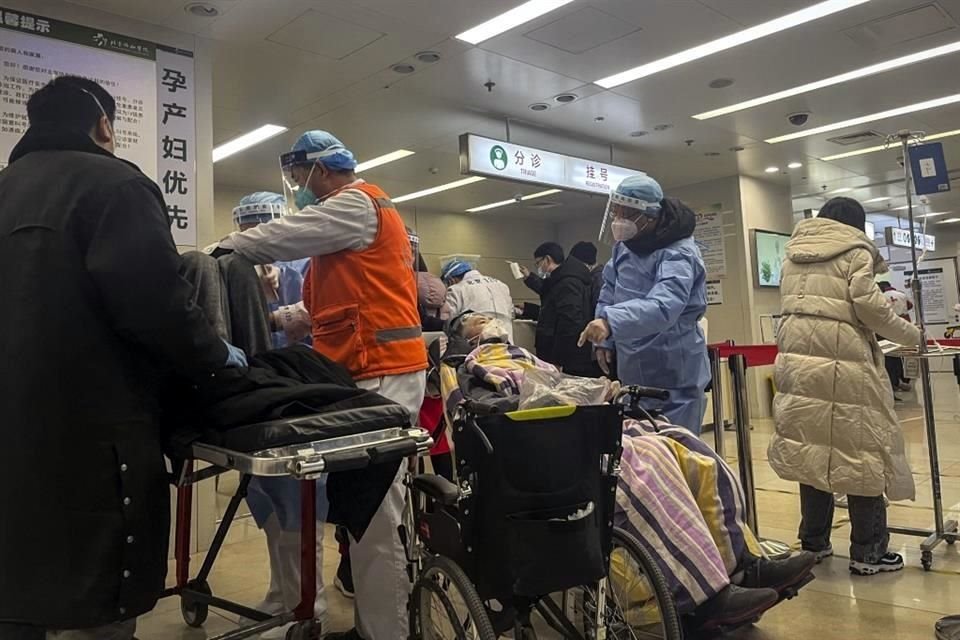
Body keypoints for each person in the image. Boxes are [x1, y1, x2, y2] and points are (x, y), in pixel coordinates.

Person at [0, 76, 244, 640]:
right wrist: (220, 361)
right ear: (104, 125)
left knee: (16, 597)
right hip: (96, 447)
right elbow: (158, 308)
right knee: (101, 608)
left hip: (12, 444)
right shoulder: (115, 185)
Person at [442, 314, 816, 632]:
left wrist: (592, 391)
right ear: (466, 335)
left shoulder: (529, 358)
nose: (490, 320)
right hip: (543, 443)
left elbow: (563, 382)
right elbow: (487, 412)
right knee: (647, 466)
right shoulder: (470, 367)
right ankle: (703, 596)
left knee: (689, 448)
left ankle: (743, 564)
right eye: (478, 318)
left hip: (581, 426)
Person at [219, 130, 426, 640]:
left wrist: (222, 249)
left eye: (297, 176)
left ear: (320, 169)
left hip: (384, 369)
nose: (295, 186)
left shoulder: (355, 204)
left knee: (375, 513)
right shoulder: (344, 230)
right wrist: (283, 318)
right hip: (361, 371)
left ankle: (387, 633)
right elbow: (323, 308)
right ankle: (371, 626)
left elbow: (284, 234)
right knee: (362, 510)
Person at [769, 196, 922, 576]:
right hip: (846, 365)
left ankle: (814, 543)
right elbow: (870, 307)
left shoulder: (792, 255)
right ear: (857, 224)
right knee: (861, 452)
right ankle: (868, 551)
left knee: (811, 452)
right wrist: (910, 334)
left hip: (798, 366)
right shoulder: (855, 252)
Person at [231, 192, 328, 638]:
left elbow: (319, 317)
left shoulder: (306, 265)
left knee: (300, 502)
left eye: (259, 227)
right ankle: (280, 590)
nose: (253, 237)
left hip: (302, 394)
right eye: (245, 229)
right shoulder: (238, 270)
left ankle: (310, 600)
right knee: (265, 497)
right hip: (259, 395)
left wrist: (275, 313)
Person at [579, 175, 710, 433]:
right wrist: (606, 340)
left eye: (626, 213)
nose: (619, 219)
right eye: (616, 211)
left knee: (675, 449)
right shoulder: (624, 249)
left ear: (650, 215)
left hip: (672, 364)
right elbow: (610, 291)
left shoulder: (679, 252)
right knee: (641, 450)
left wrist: (610, 322)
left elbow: (665, 305)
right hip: (633, 364)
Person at [518, 242, 595, 376]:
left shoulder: (568, 282)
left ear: (547, 259)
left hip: (565, 358)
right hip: (559, 353)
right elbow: (550, 302)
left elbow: (569, 322)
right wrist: (529, 278)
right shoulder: (561, 279)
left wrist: (558, 360)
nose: (538, 268)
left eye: (538, 263)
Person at [441, 259, 515, 342]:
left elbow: (448, 322)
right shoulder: (502, 285)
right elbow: (512, 313)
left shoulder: (456, 289)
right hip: (506, 339)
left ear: (451, 280)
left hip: (478, 345)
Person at [878, 280, 914, 395]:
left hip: (888, 327)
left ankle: (894, 381)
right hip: (903, 325)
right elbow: (910, 306)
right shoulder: (902, 294)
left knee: (890, 355)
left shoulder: (881, 296)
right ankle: (905, 378)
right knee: (903, 353)